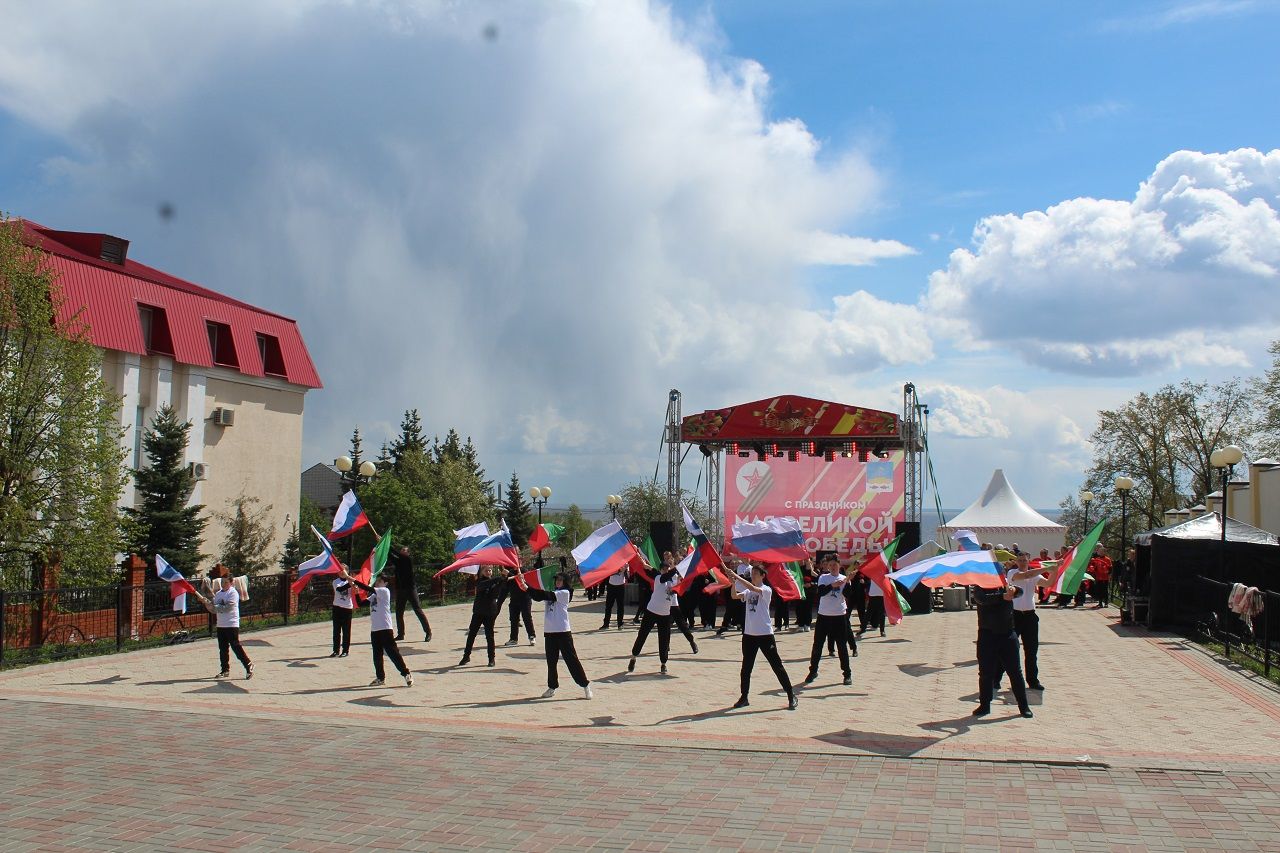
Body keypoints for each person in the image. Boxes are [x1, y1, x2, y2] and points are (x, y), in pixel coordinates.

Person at [728, 563, 798, 710]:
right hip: (749, 635)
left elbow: (753, 588)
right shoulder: (748, 592)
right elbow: (734, 596)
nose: (753, 576)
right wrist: (733, 582)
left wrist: (736, 576)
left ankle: (791, 695)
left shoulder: (766, 590)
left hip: (765, 634)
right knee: (746, 667)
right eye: (751, 573)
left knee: (776, 666)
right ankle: (744, 697)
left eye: (755, 573)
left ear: (762, 576)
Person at [522, 570, 593, 699]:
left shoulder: (565, 593)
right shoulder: (554, 592)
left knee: (572, 660)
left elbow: (544, 595)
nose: (557, 581)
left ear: (565, 582)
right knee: (551, 661)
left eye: (560, 580)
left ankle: (585, 685)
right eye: (556, 579)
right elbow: (539, 596)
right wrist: (525, 585)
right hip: (550, 632)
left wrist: (527, 587)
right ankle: (552, 687)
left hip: (563, 632)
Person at [341, 567, 413, 687]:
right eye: (377, 581)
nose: (378, 583)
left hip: (385, 628)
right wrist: (357, 593)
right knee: (377, 655)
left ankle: (406, 673)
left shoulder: (385, 592)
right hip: (375, 630)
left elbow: (368, 588)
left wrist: (350, 578)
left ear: (385, 583)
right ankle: (380, 678)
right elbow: (361, 604)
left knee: (393, 653)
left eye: (380, 581)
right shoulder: (374, 596)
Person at [972, 580, 1032, 718]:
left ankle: (1024, 706)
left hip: (1007, 635)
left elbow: (1020, 591)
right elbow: (981, 599)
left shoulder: (1005, 586)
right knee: (985, 673)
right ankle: (984, 705)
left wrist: (1014, 591)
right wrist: (1001, 597)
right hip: (987, 635)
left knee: (1015, 673)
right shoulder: (980, 587)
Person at [804, 554, 855, 687]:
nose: (832, 567)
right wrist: (832, 585)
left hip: (839, 616)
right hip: (824, 616)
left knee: (841, 646)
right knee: (818, 645)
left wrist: (848, 582)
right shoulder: (823, 578)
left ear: (839, 566)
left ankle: (847, 674)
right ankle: (813, 671)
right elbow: (820, 593)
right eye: (830, 565)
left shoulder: (844, 578)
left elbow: (848, 595)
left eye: (835, 565)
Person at [1005, 554, 1051, 691]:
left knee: (1031, 650)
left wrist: (1055, 571)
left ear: (1028, 561)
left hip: (1030, 617)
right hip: (1015, 616)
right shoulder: (1012, 573)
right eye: (1020, 560)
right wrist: (1046, 569)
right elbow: (1025, 576)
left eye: (1025, 560)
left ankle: (1032, 680)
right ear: (1016, 562)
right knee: (1008, 649)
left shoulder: (1035, 576)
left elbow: (1048, 583)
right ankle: (996, 678)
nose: (1022, 562)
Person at [195, 575, 253, 680]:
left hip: (231, 624)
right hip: (221, 624)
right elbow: (213, 609)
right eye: (222, 582)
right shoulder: (218, 594)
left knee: (235, 646)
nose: (223, 584)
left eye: (226, 582)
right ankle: (225, 670)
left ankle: (248, 665)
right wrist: (207, 603)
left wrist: (212, 605)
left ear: (231, 583)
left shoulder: (233, 593)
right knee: (223, 648)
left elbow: (228, 608)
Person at [628, 557, 680, 674]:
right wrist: (677, 567)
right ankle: (633, 657)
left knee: (664, 639)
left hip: (665, 615)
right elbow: (663, 576)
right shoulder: (658, 578)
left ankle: (663, 663)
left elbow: (677, 585)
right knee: (642, 635)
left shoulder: (673, 581)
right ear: (661, 570)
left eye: (668, 568)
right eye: (664, 569)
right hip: (651, 611)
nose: (666, 570)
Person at [460, 565, 509, 666]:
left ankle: (491, 659)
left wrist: (504, 579)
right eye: (486, 570)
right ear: (482, 572)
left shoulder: (495, 581)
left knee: (489, 636)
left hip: (490, 612)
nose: (488, 572)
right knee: (471, 634)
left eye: (490, 570)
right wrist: (499, 578)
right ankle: (466, 656)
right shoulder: (480, 581)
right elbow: (484, 585)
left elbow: (496, 594)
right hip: (478, 612)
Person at [390, 545, 432, 643]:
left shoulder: (408, 560)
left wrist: (389, 545)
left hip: (410, 589)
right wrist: (382, 544)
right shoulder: (398, 562)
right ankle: (401, 634)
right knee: (399, 612)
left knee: (418, 610)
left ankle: (428, 632)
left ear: (408, 553)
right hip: (400, 589)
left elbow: (396, 553)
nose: (402, 552)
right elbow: (389, 554)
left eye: (404, 550)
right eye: (402, 550)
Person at [506, 558, 536, 647]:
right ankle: (513, 638)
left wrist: (511, 575)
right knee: (513, 619)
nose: (515, 564)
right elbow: (506, 585)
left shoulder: (524, 571)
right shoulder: (510, 572)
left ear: (521, 563)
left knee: (527, 617)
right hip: (514, 599)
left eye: (517, 562)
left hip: (525, 599)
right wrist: (506, 577)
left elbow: (523, 582)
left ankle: (532, 636)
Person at [330, 574, 355, 657]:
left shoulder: (351, 581)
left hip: (347, 608)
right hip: (337, 608)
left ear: (346, 571)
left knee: (346, 631)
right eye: (340, 570)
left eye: (343, 570)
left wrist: (353, 584)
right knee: (336, 631)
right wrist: (350, 583)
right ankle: (336, 651)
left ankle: (345, 651)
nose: (341, 572)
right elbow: (339, 589)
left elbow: (356, 590)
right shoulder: (336, 581)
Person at [601, 563, 628, 630]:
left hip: (620, 586)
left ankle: (620, 624)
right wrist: (619, 570)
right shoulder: (612, 561)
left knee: (620, 606)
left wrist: (625, 570)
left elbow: (627, 577)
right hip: (611, 585)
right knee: (608, 606)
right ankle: (606, 624)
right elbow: (609, 573)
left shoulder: (625, 563)